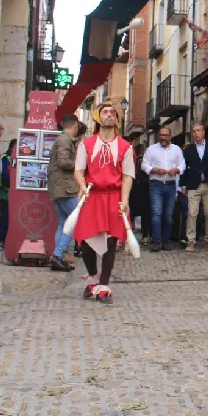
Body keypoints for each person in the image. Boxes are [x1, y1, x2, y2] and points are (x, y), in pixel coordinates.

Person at [72, 102, 135, 304]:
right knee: (85, 243)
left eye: (112, 112)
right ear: (99, 118)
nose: (109, 114)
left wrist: (124, 200)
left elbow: (127, 176)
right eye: (105, 112)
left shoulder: (125, 147)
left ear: (116, 119)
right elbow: (79, 170)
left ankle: (104, 285)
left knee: (111, 241)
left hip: (114, 196)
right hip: (92, 196)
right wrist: (82, 186)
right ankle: (93, 276)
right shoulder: (86, 145)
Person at [142, 127, 185, 252]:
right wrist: (154, 170)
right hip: (156, 184)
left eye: (166, 135)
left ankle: (166, 241)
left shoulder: (176, 150)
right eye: (161, 135)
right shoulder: (151, 149)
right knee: (156, 214)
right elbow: (144, 164)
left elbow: (182, 164)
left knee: (168, 215)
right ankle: (156, 241)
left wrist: (176, 170)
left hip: (171, 185)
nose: (163, 137)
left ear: (170, 136)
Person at [47, 115, 80, 271]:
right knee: (75, 220)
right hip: (65, 188)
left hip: (57, 187)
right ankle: (58, 254)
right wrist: (79, 165)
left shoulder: (61, 139)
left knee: (63, 222)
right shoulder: (65, 140)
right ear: (74, 126)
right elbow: (63, 161)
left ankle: (58, 257)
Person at [182, 123, 208, 251]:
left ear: (203, 132)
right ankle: (191, 241)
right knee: (192, 213)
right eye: (194, 131)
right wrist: (183, 185)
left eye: (198, 131)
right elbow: (184, 169)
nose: (196, 133)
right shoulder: (188, 150)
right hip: (194, 185)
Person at [0, 139, 17, 250]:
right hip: (5, 193)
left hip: (14, 195)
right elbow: (5, 177)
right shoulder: (6, 158)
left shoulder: (15, 159)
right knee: (5, 217)